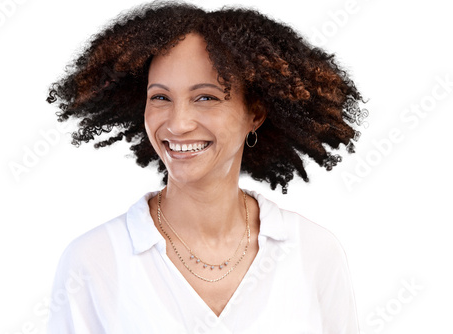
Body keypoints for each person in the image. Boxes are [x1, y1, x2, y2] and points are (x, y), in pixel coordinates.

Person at [46, 2, 366, 333]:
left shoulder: (313, 253)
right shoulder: (93, 261)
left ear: (254, 114)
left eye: (205, 98)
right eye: (160, 97)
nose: (178, 123)